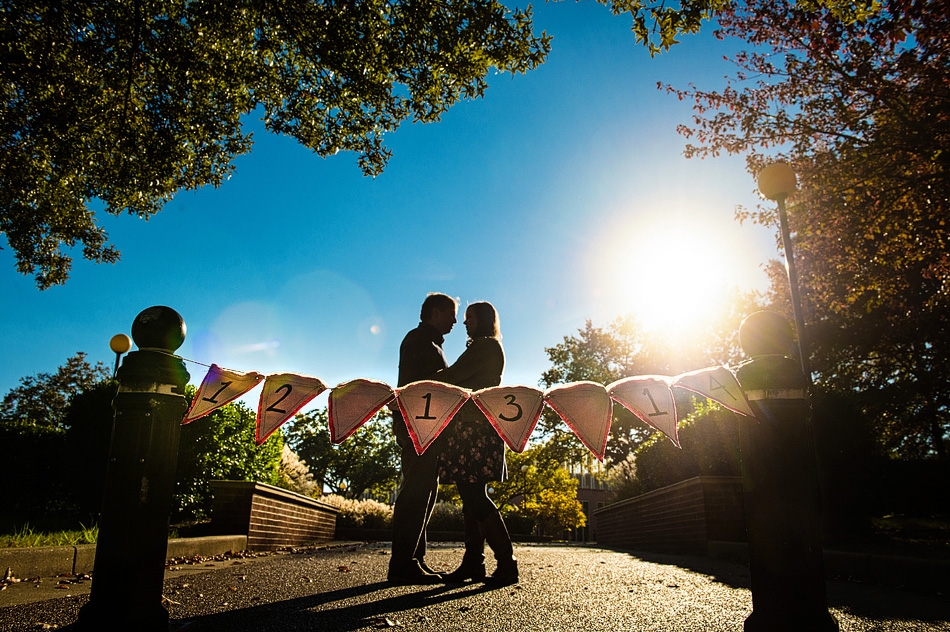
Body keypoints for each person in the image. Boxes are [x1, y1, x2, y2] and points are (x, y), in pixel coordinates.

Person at [434, 301, 518, 586]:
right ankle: (473, 563)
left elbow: (452, 377)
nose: (464, 323)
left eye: (469, 318)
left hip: (476, 429)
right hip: (472, 428)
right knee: (470, 499)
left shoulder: (486, 347)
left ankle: (507, 563)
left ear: (481, 320)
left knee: (474, 497)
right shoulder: (484, 347)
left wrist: (420, 382)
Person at [388, 292, 459, 584]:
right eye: (451, 313)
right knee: (416, 490)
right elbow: (425, 387)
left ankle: (415, 559)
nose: (455, 320)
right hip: (417, 427)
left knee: (427, 489)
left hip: (426, 427)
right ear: (435, 312)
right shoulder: (419, 341)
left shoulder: (430, 343)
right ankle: (402, 563)